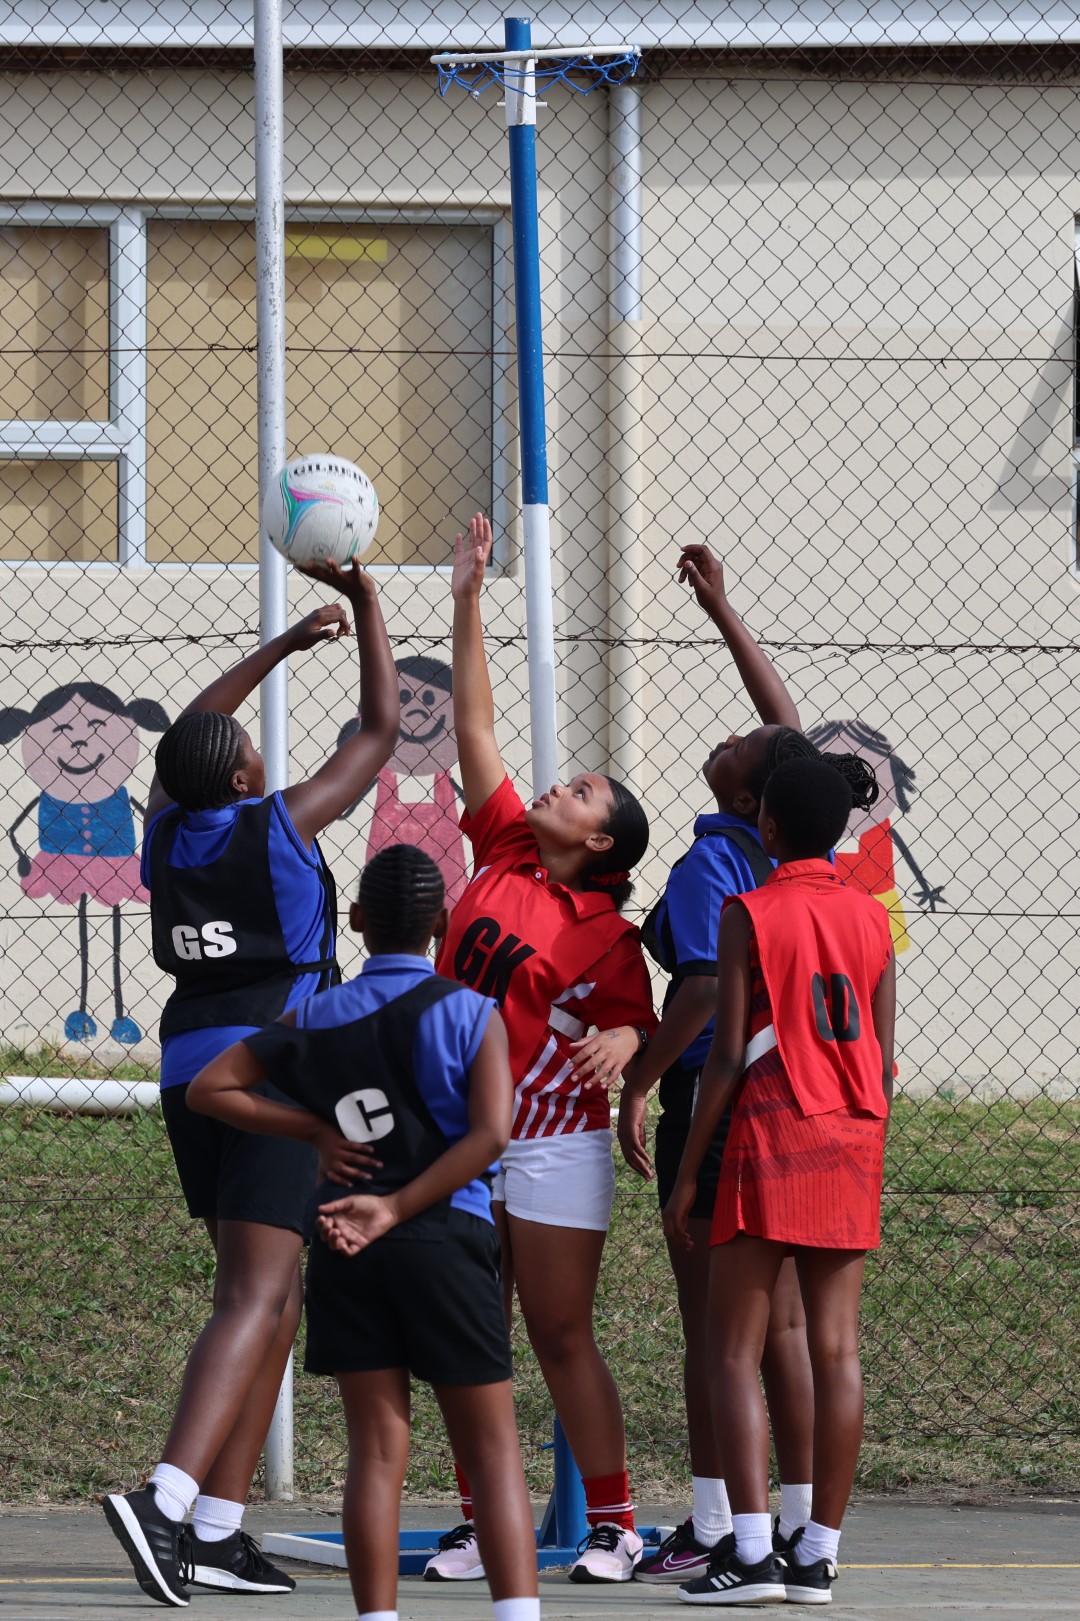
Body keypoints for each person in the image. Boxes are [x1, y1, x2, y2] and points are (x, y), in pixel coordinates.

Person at [102, 561, 399, 1609]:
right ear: (240, 781)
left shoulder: (164, 834)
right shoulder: (278, 827)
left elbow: (191, 728)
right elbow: (377, 727)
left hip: (192, 1065)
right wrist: (362, 603)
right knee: (255, 1293)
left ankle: (218, 1532)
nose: (266, 760)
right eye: (254, 757)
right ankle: (167, 1496)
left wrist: (276, 649)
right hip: (275, 1064)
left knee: (272, 1296)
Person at [186, 843, 541, 1621]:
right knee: (492, 1450)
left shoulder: (311, 1014)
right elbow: (489, 1136)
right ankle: (518, 1614)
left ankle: (377, 1618)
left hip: (347, 1243)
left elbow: (212, 1087)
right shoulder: (470, 1011)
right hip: (445, 1236)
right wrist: (400, 1202)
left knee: (376, 1451)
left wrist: (314, 1128)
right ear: (442, 923)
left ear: (355, 921)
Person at [424, 514, 658, 1586]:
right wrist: (469, 594)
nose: (561, 786)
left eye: (584, 791)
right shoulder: (510, 843)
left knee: (561, 1334)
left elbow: (637, 1020)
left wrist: (620, 1034)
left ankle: (616, 1525)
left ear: (599, 840)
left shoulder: (605, 932)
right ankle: (482, 1524)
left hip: (553, 1140)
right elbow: (474, 724)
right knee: (471, 1336)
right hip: (459, 1131)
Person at [619, 542, 822, 1584]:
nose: (739, 732)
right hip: (793, 1101)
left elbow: (698, 988)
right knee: (784, 1323)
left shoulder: (712, 860)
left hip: (712, 1089)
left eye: (745, 742)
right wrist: (724, 613)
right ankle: (793, 1523)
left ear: (755, 800)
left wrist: (640, 1077)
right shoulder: (791, 852)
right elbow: (789, 737)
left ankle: (711, 1524)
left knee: (715, 1326)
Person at [664, 756, 894, 1607]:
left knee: (730, 1347)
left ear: (764, 828)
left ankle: (750, 1553)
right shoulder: (872, 917)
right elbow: (883, 1049)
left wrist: (690, 1171)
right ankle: (817, 1556)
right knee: (837, 1349)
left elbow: (726, 1051)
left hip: (771, 1124)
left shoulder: (749, 909)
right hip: (853, 1129)